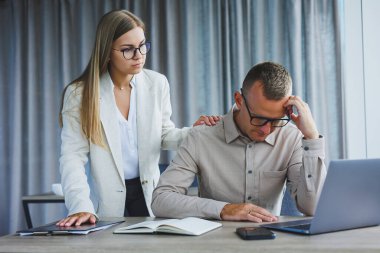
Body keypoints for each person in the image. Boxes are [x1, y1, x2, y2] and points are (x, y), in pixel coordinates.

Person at [57, 10, 219, 227]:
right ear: (107, 51)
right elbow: (72, 157)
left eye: (143, 45)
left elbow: (163, 135)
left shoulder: (157, 83)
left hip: (148, 194)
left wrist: (194, 132)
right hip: (104, 201)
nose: (139, 55)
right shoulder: (80, 93)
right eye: (127, 49)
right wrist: (80, 206)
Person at [152, 62, 327, 222]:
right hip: (213, 243)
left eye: (276, 120)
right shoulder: (201, 137)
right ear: (239, 100)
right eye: (259, 118)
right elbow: (161, 199)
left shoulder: (292, 138)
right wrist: (224, 209)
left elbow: (314, 207)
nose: (266, 130)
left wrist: (312, 137)